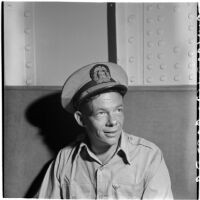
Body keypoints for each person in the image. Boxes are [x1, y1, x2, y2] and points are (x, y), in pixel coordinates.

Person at [38, 62, 173, 199]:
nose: (113, 122)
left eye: (118, 110)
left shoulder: (149, 157)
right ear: (81, 119)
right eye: (101, 113)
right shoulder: (65, 159)